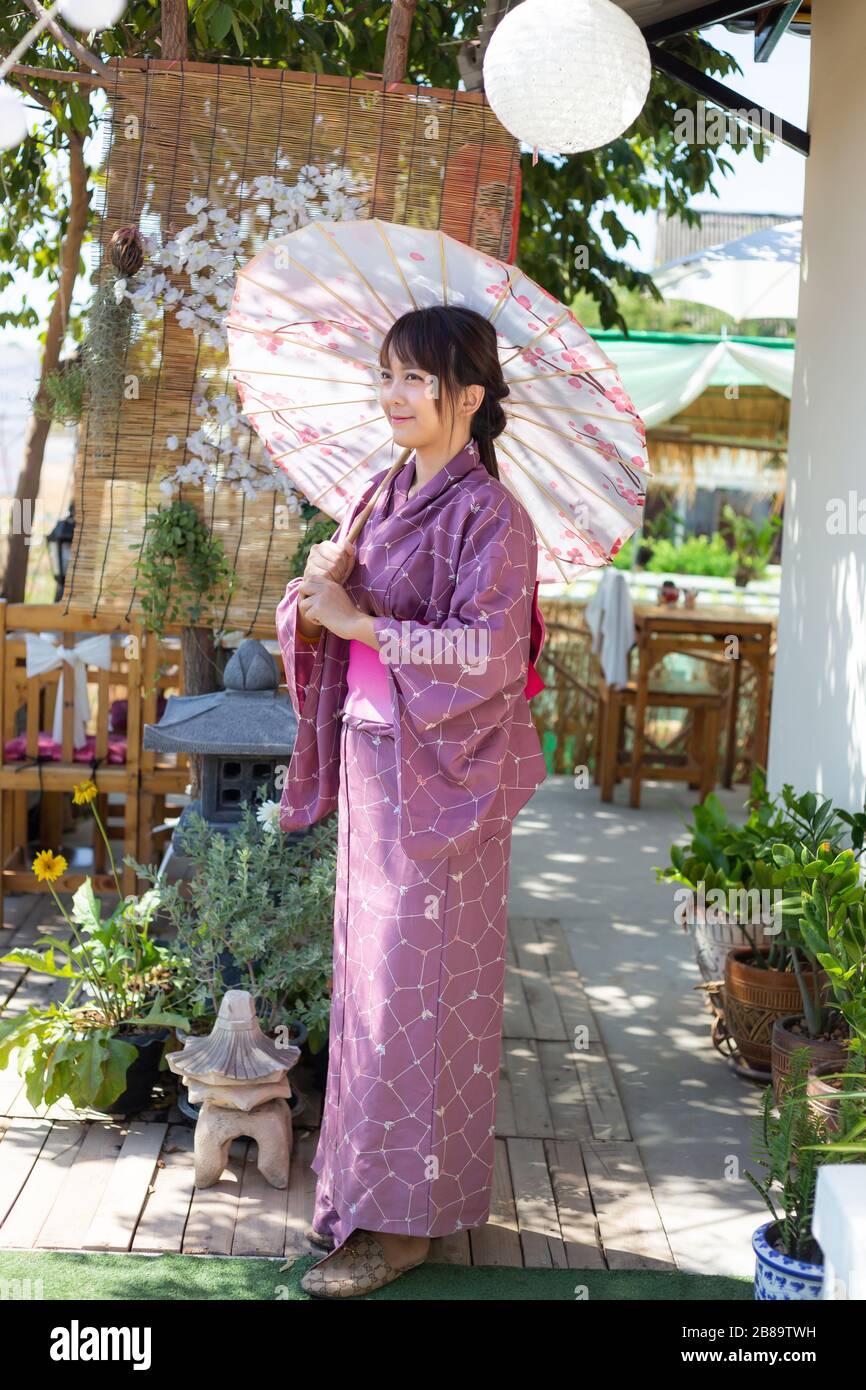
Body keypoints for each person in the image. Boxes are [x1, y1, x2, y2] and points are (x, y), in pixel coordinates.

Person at [276, 304, 548, 1299]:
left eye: (409, 379)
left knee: (419, 999)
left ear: (466, 399)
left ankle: (407, 1226)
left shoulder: (494, 517)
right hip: (376, 765)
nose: (388, 396)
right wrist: (321, 592)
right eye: (383, 375)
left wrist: (361, 622)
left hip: (445, 783)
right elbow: (346, 611)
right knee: (369, 989)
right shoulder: (381, 492)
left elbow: (490, 652)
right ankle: (361, 1198)